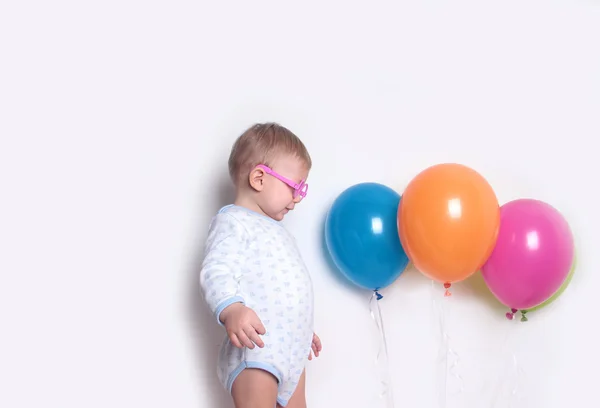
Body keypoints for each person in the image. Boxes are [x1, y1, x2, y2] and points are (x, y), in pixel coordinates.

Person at [199, 123, 322, 408]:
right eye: (295, 186)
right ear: (259, 178)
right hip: (257, 348)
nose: (298, 197)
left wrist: (300, 328)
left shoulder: (281, 233)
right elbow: (216, 269)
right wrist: (233, 309)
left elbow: (283, 286)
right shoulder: (233, 221)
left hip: (291, 349)